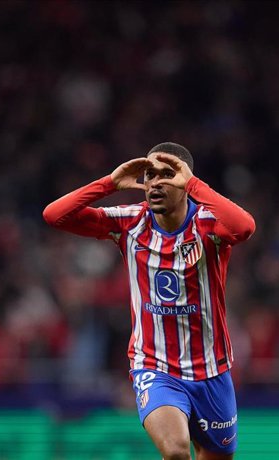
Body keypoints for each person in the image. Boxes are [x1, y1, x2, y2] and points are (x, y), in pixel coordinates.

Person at [43, 142, 255, 460]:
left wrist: (194, 184)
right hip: (155, 367)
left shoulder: (209, 225)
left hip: (212, 370)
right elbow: (54, 215)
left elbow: (245, 227)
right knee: (175, 451)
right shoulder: (130, 223)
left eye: (167, 175)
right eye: (150, 175)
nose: (155, 183)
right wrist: (110, 184)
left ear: (185, 181)